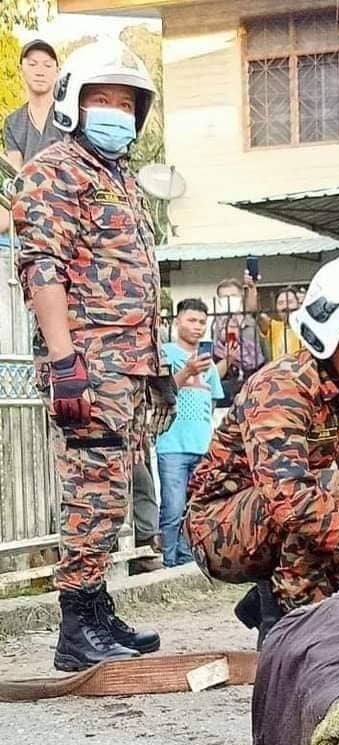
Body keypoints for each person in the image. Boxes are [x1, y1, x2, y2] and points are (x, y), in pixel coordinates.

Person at [11, 41, 169, 672]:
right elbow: (41, 266)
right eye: (102, 99)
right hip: (89, 365)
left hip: (126, 367)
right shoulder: (55, 169)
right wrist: (65, 360)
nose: (115, 112)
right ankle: (76, 630)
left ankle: (97, 608)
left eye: (127, 103)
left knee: (109, 496)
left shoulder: (119, 177)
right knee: (90, 494)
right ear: (75, 102)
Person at [185, 253, 339, 645]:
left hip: (276, 517)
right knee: (334, 493)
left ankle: (271, 602)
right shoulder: (280, 388)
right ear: (330, 330)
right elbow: (289, 499)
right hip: (217, 528)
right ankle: (298, 622)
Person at [156, 298, 223, 567]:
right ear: (177, 321)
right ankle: (168, 561)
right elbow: (164, 391)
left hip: (201, 446)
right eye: (191, 320)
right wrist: (188, 370)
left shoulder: (210, 366)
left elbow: (214, 401)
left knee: (195, 508)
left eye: (201, 323)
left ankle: (186, 562)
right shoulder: (164, 354)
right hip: (171, 444)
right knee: (172, 508)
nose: (197, 327)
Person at [3, 40, 62, 170]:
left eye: (47, 65)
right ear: (20, 69)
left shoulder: (70, 115)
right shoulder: (12, 123)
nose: (40, 72)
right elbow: (16, 173)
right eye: (32, 64)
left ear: (57, 71)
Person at [212, 275, 265, 407]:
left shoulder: (250, 321)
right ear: (219, 300)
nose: (229, 299)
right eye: (225, 297)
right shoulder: (216, 325)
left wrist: (252, 287)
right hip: (227, 381)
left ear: (240, 298)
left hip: (254, 379)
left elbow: (253, 308)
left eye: (233, 295)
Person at [258, 286, 302, 360]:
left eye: (290, 302)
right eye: (280, 303)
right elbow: (257, 314)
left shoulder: (309, 326)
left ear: (298, 304)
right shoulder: (274, 327)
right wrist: (252, 287)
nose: (285, 306)